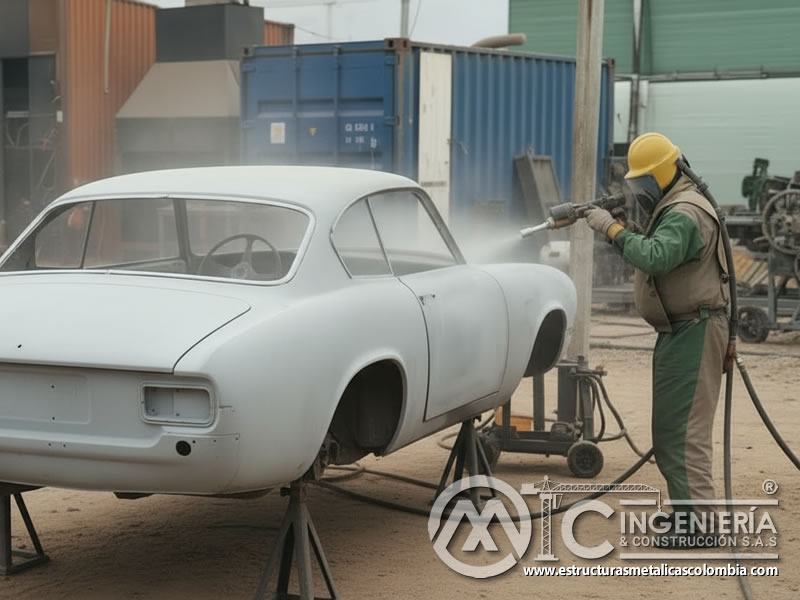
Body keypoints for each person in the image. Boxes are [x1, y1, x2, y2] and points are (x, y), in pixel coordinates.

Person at [584, 132, 735, 540]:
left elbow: (656, 256)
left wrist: (611, 230)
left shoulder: (684, 211)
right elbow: (663, 251)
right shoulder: (679, 203)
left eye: (645, 181)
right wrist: (627, 230)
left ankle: (698, 526)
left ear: (664, 173)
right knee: (672, 430)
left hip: (694, 330)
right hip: (685, 330)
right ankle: (688, 513)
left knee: (684, 433)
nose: (642, 190)